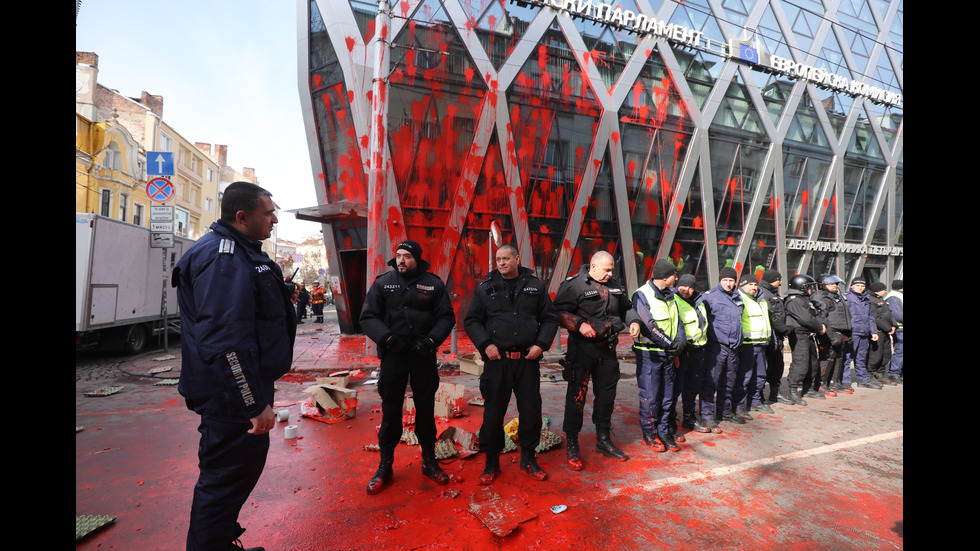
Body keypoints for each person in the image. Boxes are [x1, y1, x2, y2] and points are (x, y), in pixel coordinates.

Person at [173, 181, 297, 551]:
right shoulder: (224, 258)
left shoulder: (238, 252)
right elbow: (226, 341)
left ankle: (219, 543)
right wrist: (252, 404)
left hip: (237, 389)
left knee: (236, 475)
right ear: (242, 217)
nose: (275, 219)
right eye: (268, 212)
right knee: (224, 479)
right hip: (230, 396)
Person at [359, 240, 456, 495]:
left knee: (425, 409)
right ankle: (385, 466)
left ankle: (429, 461)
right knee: (391, 411)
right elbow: (368, 316)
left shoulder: (433, 283)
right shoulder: (383, 282)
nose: (401, 260)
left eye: (407, 256)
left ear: (417, 259)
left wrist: (432, 341)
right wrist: (388, 338)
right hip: (394, 355)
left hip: (423, 354)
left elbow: (446, 316)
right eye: (398, 256)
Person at [464, 244, 559, 484]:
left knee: (531, 411)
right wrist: (486, 345)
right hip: (498, 362)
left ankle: (529, 458)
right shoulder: (486, 288)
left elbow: (549, 318)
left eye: (506, 258)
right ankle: (491, 463)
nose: (501, 263)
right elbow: (472, 321)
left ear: (517, 259)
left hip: (527, 361)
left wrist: (541, 344)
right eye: (498, 259)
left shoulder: (535, 286)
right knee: (493, 413)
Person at [554, 251, 641, 470]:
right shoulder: (574, 285)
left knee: (606, 397)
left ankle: (603, 440)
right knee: (577, 397)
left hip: (608, 350)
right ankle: (572, 443)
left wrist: (634, 321)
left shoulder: (614, 285)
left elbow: (626, 307)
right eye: (607, 269)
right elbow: (556, 311)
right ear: (593, 266)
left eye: (612, 269)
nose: (610, 273)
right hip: (582, 351)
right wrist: (578, 324)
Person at [631, 260, 685, 452]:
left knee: (668, 396)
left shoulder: (671, 295)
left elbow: (678, 322)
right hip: (649, 356)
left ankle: (663, 431)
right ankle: (650, 433)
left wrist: (680, 342)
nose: (677, 278)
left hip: (668, 354)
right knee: (651, 397)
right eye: (674, 275)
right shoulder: (641, 295)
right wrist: (671, 345)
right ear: (664, 276)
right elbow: (649, 327)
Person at [699, 267, 744, 430]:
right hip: (716, 346)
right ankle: (707, 415)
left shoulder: (738, 297)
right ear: (719, 280)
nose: (728, 283)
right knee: (711, 381)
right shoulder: (709, 297)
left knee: (729, 381)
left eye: (731, 280)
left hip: (734, 347)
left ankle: (724, 411)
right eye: (725, 280)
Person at [675, 274, 710, 434]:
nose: (686, 290)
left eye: (690, 287)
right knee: (675, 387)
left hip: (698, 351)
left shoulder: (700, 301)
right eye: (683, 286)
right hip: (681, 352)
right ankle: (669, 418)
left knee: (692, 386)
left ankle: (688, 417)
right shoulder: (673, 301)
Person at [783, 274, 826, 405]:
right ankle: (793, 391)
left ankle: (808, 389)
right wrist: (819, 326)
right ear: (801, 287)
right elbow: (805, 318)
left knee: (812, 364)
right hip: (799, 335)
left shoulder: (804, 299)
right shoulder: (794, 300)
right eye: (809, 287)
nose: (811, 290)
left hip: (809, 335)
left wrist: (821, 324)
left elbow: (814, 315)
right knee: (801, 363)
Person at [736, 274, 772, 418]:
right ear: (743, 286)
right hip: (747, 345)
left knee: (760, 375)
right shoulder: (739, 299)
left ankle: (755, 402)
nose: (753, 287)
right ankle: (738, 406)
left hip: (762, 343)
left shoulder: (761, 299)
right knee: (745, 377)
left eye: (755, 284)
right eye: (750, 284)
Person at [758, 270, 791, 406]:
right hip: (769, 337)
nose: (781, 282)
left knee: (777, 367)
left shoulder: (772, 293)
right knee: (763, 369)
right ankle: (759, 397)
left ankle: (774, 393)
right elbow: (773, 317)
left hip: (777, 337)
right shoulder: (764, 294)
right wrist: (785, 329)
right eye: (779, 279)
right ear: (772, 280)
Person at [813, 275, 850, 396]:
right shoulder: (823, 298)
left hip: (840, 332)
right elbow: (822, 318)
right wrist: (830, 336)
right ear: (824, 285)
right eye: (831, 284)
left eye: (836, 284)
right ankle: (821, 384)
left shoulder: (838, 296)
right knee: (827, 358)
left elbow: (845, 316)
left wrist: (849, 333)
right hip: (830, 333)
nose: (835, 286)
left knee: (838, 357)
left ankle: (834, 382)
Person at [843, 277, 882, 390]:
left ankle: (863, 380)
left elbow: (870, 316)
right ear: (852, 286)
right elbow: (846, 317)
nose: (860, 288)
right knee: (848, 358)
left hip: (864, 333)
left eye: (862, 286)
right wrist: (847, 332)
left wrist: (873, 331)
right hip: (853, 332)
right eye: (857, 285)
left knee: (861, 358)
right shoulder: (848, 298)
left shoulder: (866, 298)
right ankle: (845, 381)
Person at [868, 281, 897, 385]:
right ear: (878, 291)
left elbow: (889, 314)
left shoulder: (881, 300)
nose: (886, 291)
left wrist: (893, 325)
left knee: (886, 353)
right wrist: (888, 328)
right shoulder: (871, 300)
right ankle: (871, 374)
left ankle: (881, 374)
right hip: (878, 331)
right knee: (876, 354)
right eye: (884, 289)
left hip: (886, 332)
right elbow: (875, 318)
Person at [886, 280, 903, 383]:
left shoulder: (896, 296)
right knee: (900, 351)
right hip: (900, 328)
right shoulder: (895, 297)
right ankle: (894, 374)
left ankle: (897, 373)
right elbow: (897, 314)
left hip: (900, 328)